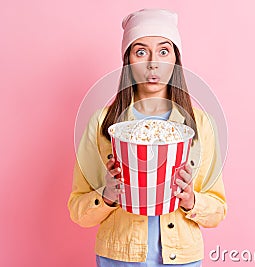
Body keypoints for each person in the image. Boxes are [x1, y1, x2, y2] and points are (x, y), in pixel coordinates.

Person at [67, 8, 227, 266]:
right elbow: (78, 210)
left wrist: (190, 199)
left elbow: (218, 210)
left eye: (164, 51)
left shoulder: (201, 125)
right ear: (128, 60)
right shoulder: (102, 123)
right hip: (118, 258)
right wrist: (107, 195)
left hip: (182, 259)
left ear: (175, 59)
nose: (153, 63)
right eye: (140, 51)